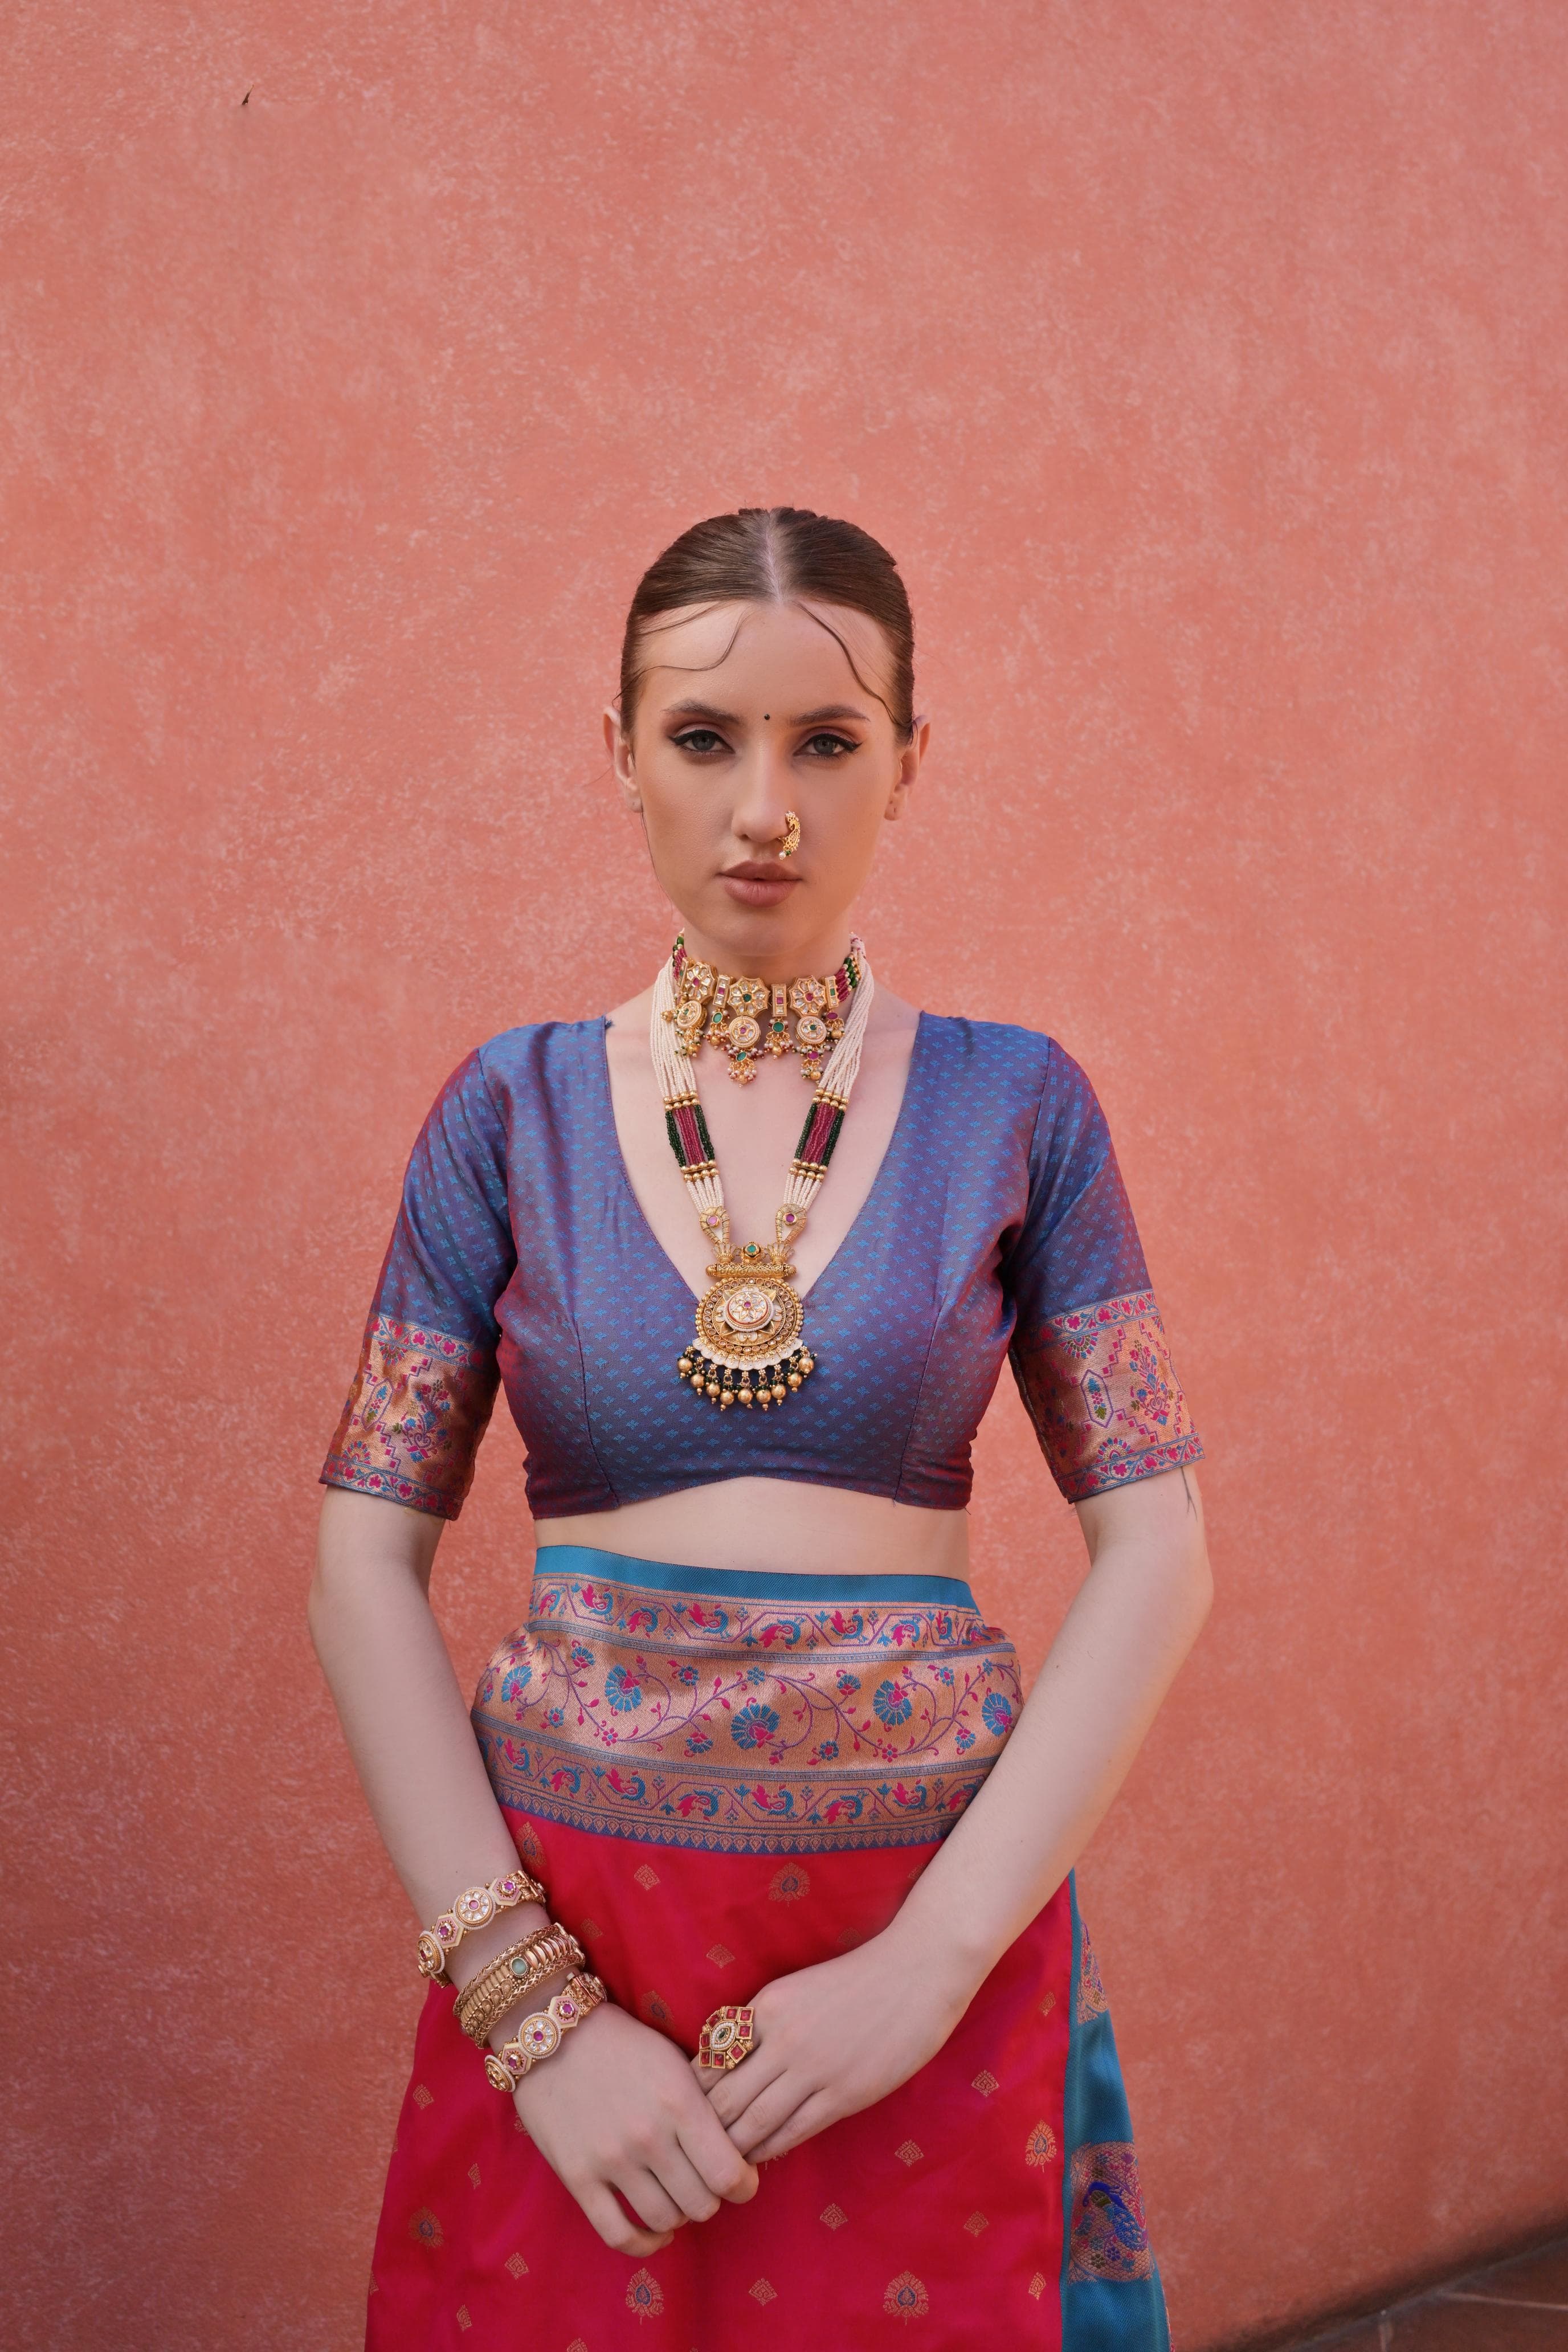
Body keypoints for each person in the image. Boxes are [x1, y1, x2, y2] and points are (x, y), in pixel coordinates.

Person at [309, 505, 1212, 2350]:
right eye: (706, 739)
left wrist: (932, 1968)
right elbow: (358, 1562)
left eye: (830, 741)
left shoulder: (1018, 1106)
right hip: (581, 1959)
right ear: (619, 756)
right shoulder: (514, 1111)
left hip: (918, 1954)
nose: (764, 810)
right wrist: (530, 2013)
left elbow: (1161, 1552)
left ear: (912, 763)